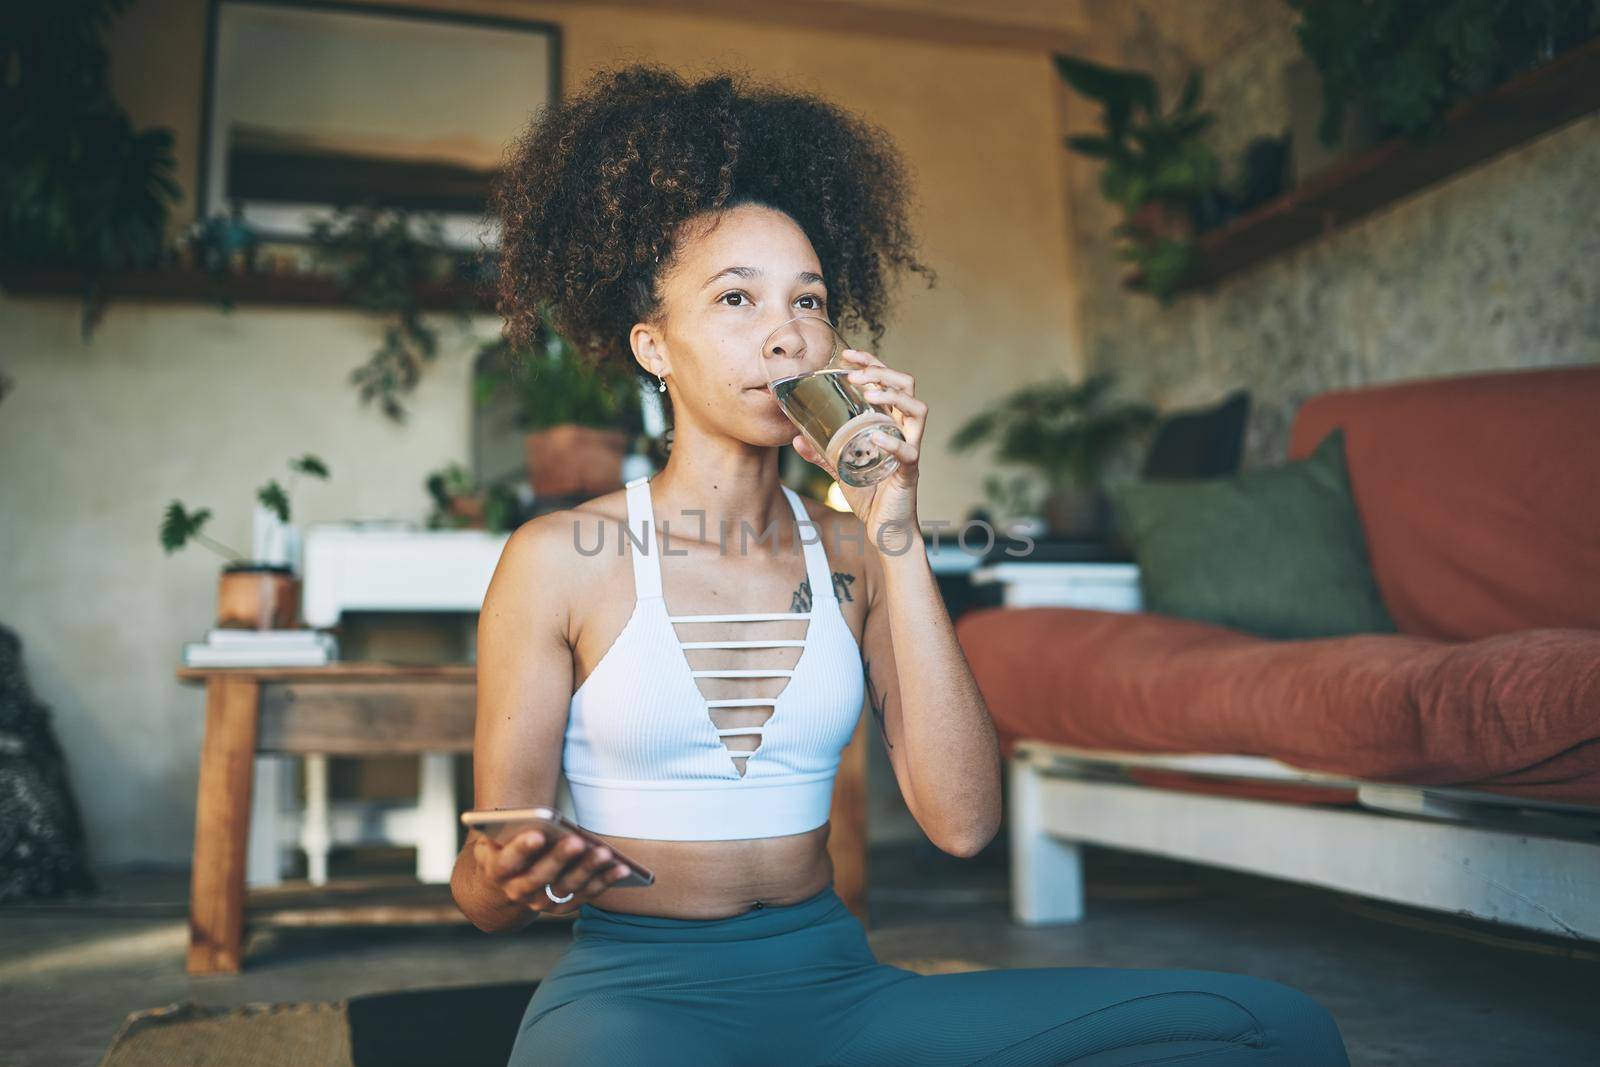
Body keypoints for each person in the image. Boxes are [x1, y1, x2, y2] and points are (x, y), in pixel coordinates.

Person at [449, 62, 1350, 1067]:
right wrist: (509, 869)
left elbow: (962, 822)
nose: (784, 331)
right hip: (632, 996)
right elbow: (483, 895)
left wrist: (893, 519)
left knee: (1275, 1029)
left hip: (834, 984)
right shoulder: (557, 560)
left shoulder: (855, 552)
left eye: (810, 300)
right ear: (653, 345)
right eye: (736, 299)